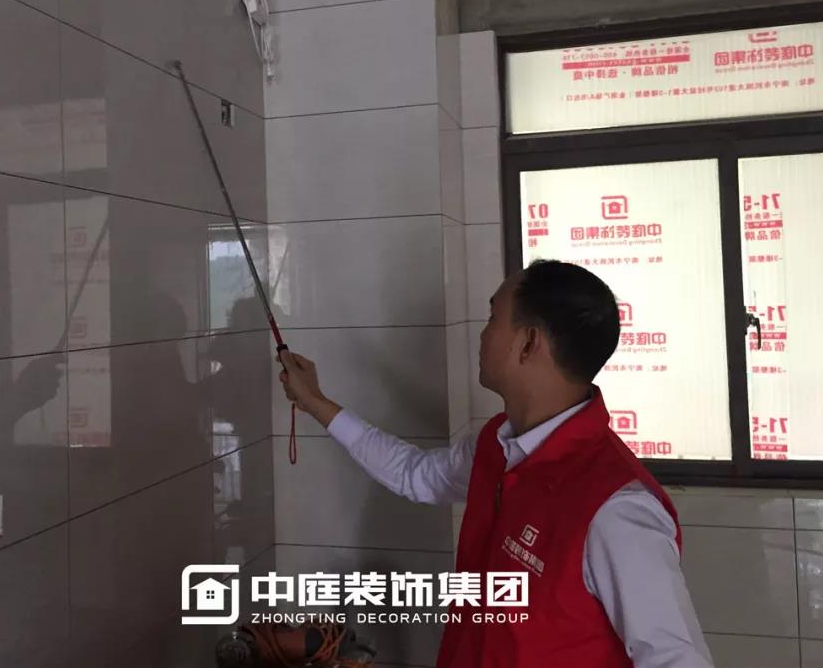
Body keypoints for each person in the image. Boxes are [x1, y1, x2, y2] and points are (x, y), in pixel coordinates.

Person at [277, 259, 713, 668]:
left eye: (492, 318)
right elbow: (415, 475)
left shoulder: (616, 508)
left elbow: (677, 659)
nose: (483, 335)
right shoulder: (498, 445)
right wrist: (315, 402)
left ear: (529, 343)